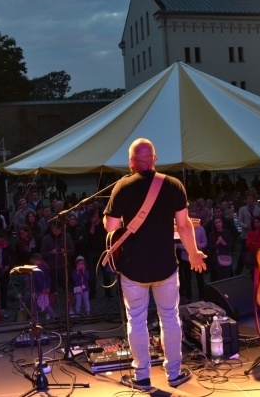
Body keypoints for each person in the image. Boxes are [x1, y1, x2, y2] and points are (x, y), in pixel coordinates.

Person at [104, 138, 206, 390]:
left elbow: (111, 227)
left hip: (133, 267)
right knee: (170, 318)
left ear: (131, 162)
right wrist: (193, 253)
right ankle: (173, 373)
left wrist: (110, 215)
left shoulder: (122, 186)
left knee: (136, 320)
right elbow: (183, 226)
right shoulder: (173, 185)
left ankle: (142, 376)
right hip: (165, 266)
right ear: (154, 159)